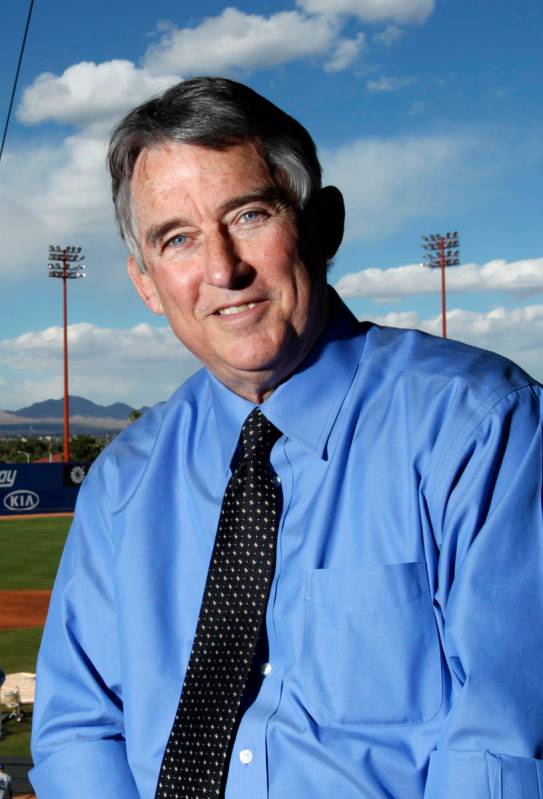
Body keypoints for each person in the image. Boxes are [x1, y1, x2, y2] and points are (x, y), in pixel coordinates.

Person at [30, 78, 543, 799]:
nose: (221, 270)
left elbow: (501, 744)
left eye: (248, 214)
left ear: (321, 224)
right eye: (176, 239)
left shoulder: (478, 426)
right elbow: (78, 728)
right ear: (147, 283)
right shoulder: (124, 480)